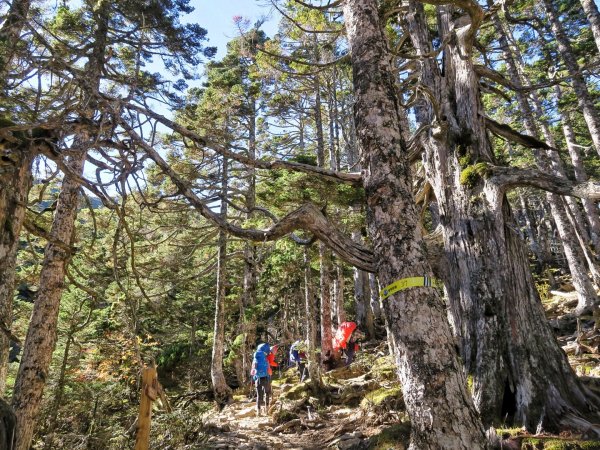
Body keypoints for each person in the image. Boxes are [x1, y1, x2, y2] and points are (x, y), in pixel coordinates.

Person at [251, 342, 273, 416]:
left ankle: (258, 411)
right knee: (266, 393)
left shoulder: (255, 358)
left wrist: (254, 378)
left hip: (258, 378)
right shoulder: (265, 359)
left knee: (259, 395)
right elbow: (269, 370)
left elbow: (253, 371)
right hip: (266, 377)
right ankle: (266, 410)